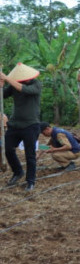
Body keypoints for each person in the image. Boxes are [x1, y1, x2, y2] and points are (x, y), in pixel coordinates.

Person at [1, 63, 42, 191]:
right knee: (7, 149)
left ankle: (30, 181)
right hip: (15, 124)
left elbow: (25, 90)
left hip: (31, 125)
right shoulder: (14, 84)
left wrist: (7, 78)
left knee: (30, 155)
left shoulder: (36, 84)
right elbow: (2, 95)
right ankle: (18, 171)